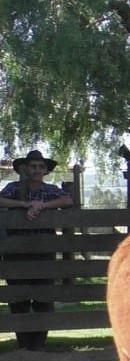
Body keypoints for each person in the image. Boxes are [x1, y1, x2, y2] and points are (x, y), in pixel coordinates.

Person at [0, 149, 74, 350]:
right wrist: (24, 204)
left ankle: (39, 343)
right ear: (25, 168)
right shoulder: (13, 188)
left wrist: (42, 206)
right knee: (18, 299)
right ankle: (23, 344)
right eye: (33, 166)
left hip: (44, 251)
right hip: (16, 252)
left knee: (44, 297)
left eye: (41, 166)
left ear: (45, 170)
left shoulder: (49, 190)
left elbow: (68, 200)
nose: (37, 170)